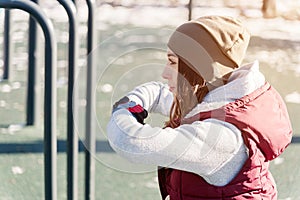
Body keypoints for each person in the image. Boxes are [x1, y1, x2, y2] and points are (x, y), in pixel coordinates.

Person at [107, 15, 293, 199]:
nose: (164, 73)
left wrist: (122, 111)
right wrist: (132, 105)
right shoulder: (219, 100)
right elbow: (157, 92)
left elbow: (130, 142)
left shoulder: (220, 137)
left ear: (198, 68)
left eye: (172, 62)